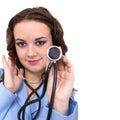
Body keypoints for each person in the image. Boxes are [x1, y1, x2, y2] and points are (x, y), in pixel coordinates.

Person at [0, 6, 78, 120]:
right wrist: (6, 91)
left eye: (40, 42)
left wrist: (59, 103)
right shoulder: (3, 83)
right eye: (22, 44)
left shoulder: (62, 90)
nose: (31, 53)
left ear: (54, 45)